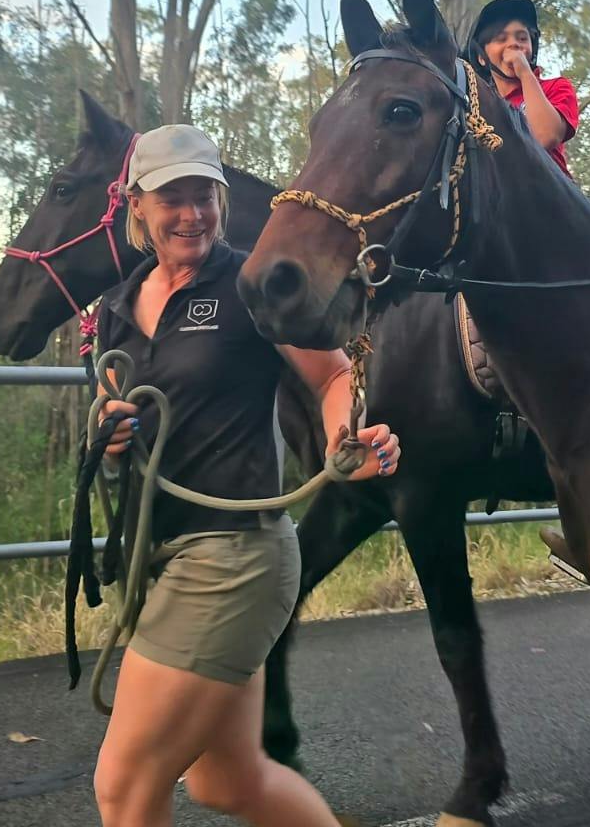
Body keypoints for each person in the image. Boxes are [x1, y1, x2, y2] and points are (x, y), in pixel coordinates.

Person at [89, 123, 401, 826]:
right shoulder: (116, 306)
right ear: (138, 204)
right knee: (228, 783)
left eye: (205, 195)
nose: (191, 214)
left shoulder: (248, 283)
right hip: (157, 556)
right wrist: (110, 438)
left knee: (124, 782)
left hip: (232, 556)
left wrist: (342, 440)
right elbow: (118, 421)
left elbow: (331, 381)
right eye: (172, 197)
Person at [465, 0, 580, 177]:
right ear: (481, 57)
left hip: (552, 199)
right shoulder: (476, 107)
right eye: (501, 39)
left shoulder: (556, 87)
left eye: (522, 38)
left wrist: (525, 73)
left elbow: (545, 137)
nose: (514, 45)